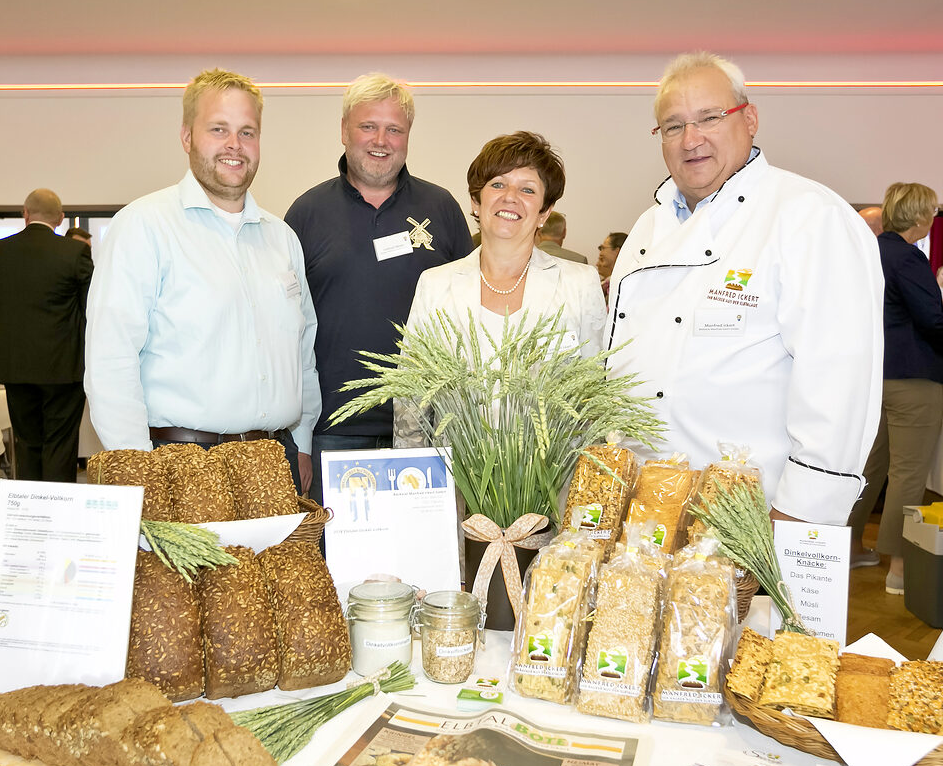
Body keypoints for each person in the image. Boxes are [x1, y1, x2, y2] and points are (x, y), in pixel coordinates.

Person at [606, 52, 882, 525]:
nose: (691, 139)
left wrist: (798, 516)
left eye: (709, 118)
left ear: (749, 118)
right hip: (645, 509)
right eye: (673, 126)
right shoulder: (645, 229)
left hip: (754, 513)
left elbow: (840, 383)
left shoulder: (808, 215)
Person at [85, 68, 319, 492]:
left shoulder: (281, 238)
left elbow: (302, 353)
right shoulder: (143, 226)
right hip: (180, 464)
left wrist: (301, 443)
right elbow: (110, 358)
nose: (235, 145)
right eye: (219, 129)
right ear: (187, 137)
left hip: (276, 461)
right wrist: (140, 473)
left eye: (248, 132)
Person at [284, 73, 472, 501]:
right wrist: (298, 437)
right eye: (368, 126)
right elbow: (286, 330)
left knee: (420, 563)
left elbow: (468, 314)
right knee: (331, 564)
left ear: (408, 136)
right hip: (331, 432)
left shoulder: (441, 208)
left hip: (428, 431)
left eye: (394, 129)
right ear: (345, 131)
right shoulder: (306, 213)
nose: (380, 140)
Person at [396, 132, 606, 444]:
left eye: (527, 189)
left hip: (551, 484)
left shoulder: (580, 283)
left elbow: (594, 402)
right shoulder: (435, 284)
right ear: (475, 202)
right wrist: (414, 483)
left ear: (544, 213)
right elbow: (411, 404)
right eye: (497, 184)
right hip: (457, 482)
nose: (510, 196)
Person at [847, 183, 943, 594]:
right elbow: (932, 320)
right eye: (933, 211)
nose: (935, 218)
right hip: (912, 377)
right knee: (908, 475)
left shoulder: (870, 253)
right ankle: (899, 569)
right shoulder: (909, 258)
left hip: (876, 378)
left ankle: (853, 547)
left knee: (870, 469)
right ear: (920, 216)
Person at [0, 188, 93, 483]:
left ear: (25, 214)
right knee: (60, 443)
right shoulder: (75, 252)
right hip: (63, 367)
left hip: (15, 365)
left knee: (26, 442)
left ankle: (30, 518)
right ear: (61, 218)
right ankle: (57, 517)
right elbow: (90, 310)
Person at [597, 231, 627, 300]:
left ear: (617, 251)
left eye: (603, 248)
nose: (600, 253)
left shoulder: (623, 285)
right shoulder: (604, 284)